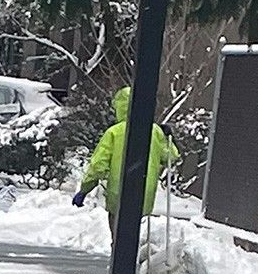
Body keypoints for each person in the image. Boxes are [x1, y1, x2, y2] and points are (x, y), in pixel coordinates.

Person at [73, 86, 179, 227]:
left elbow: (98, 165)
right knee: (132, 234)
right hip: (144, 196)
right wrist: (168, 138)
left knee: (118, 238)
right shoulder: (154, 132)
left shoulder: (114, 133)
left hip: (118, 194)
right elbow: (171, 157)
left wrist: (85, 189)